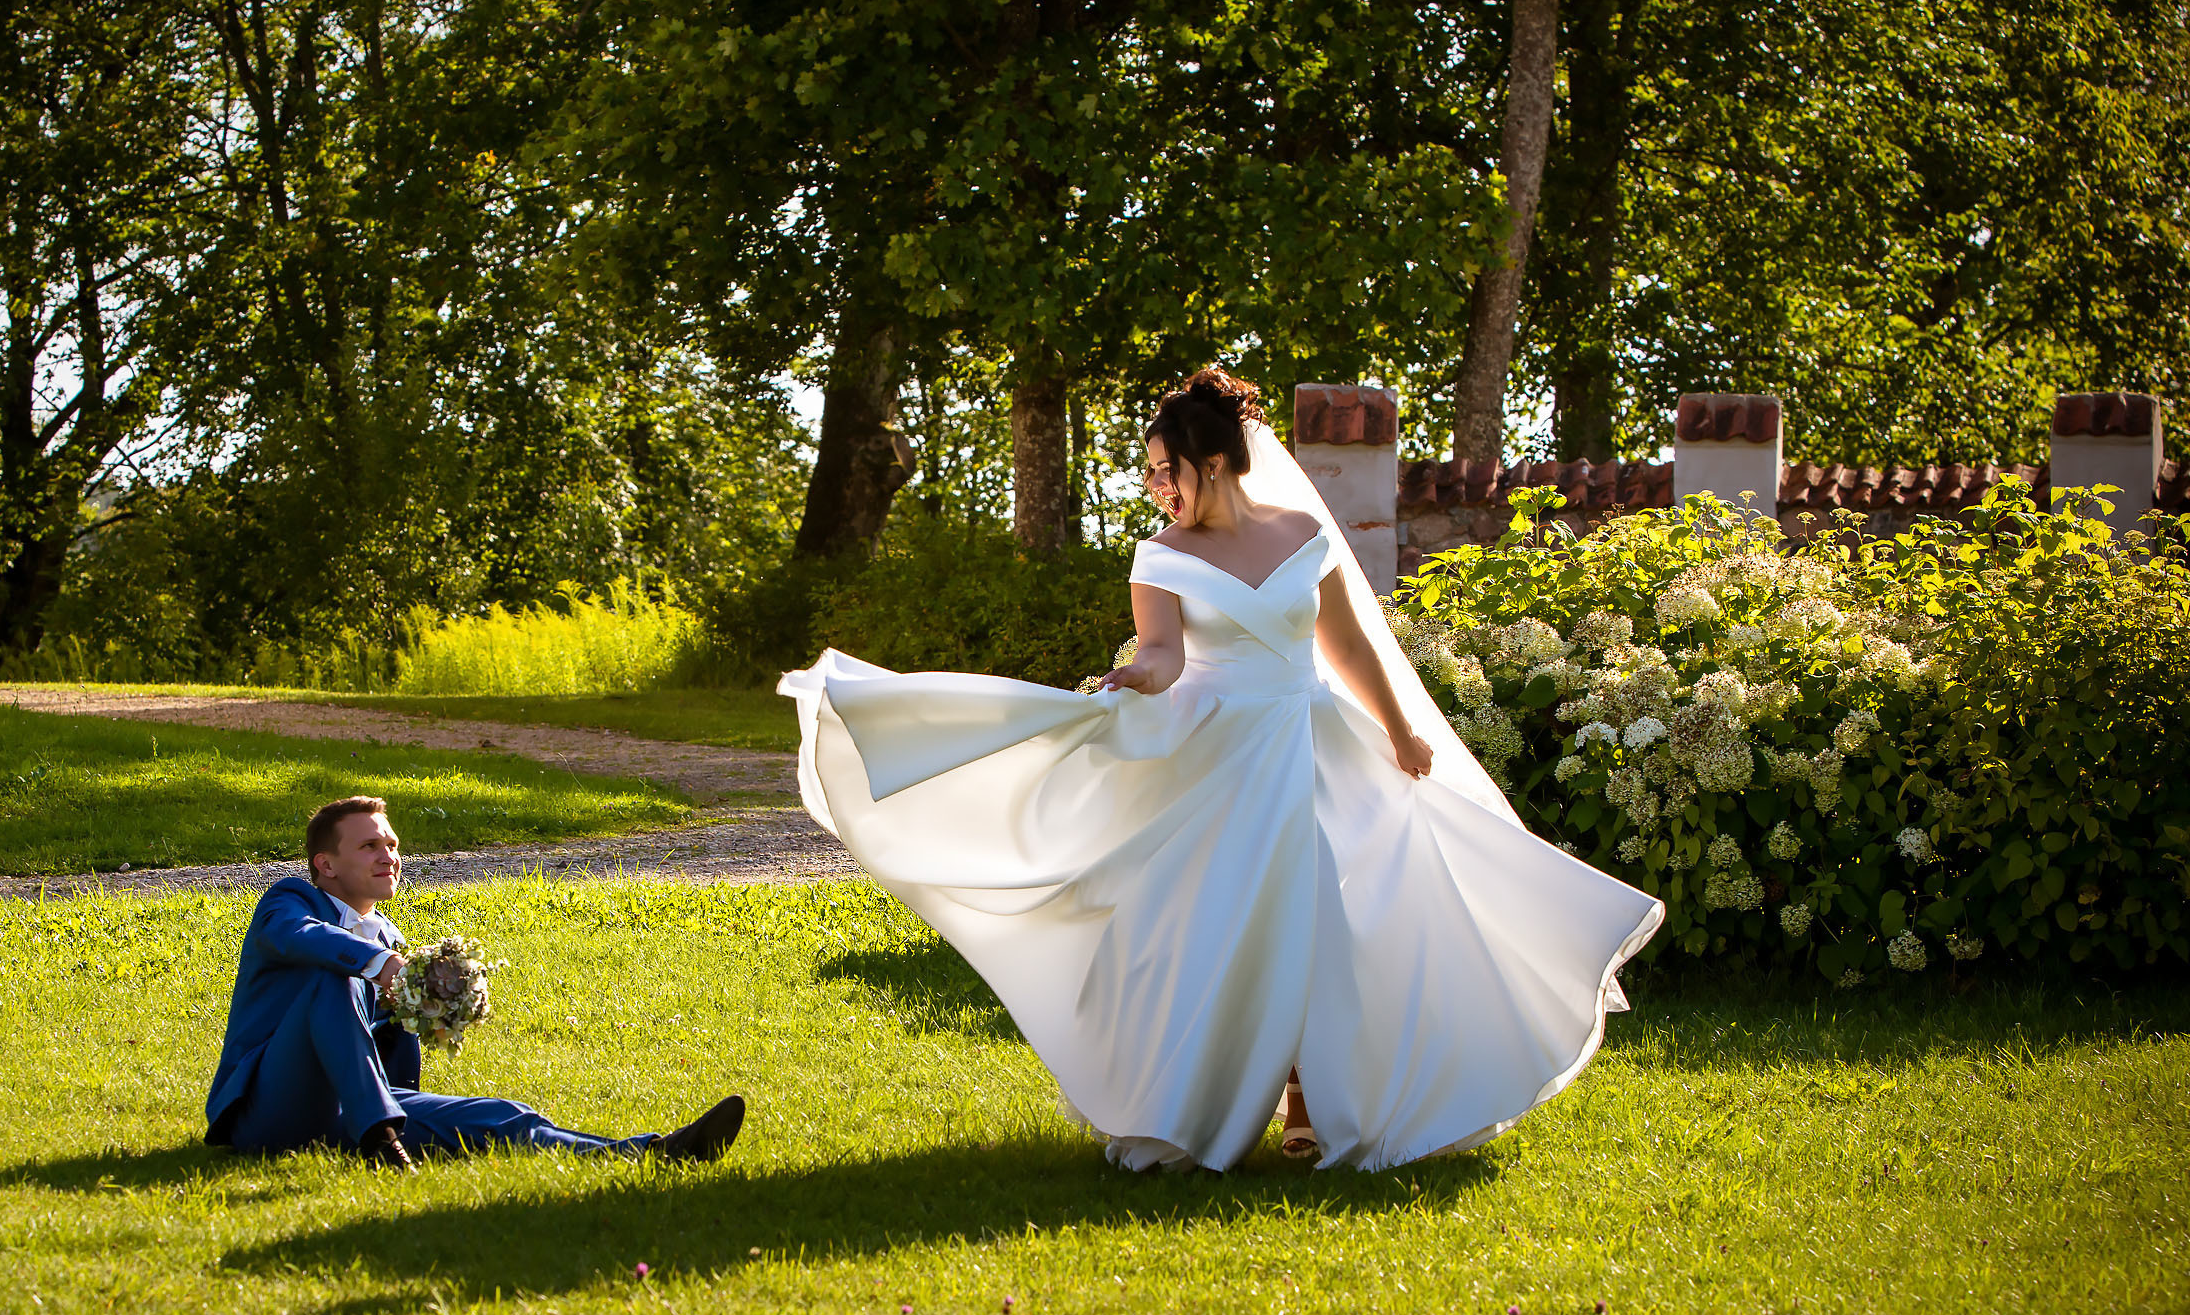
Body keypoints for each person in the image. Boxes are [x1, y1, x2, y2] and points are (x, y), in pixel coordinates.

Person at [779, 368, 1662, 1172]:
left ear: (1211, 460)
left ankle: (1312, 1100)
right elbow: (1164, 654)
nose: (1157, 485)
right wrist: (1135, 675)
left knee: (1330, 911)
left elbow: (1346, 645)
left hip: (1314, 738)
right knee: (1229, 922)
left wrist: (1398, 728)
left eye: (1166, 468)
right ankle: (1207, 1095)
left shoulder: (1302, 533)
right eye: (1152, 471)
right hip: (1219, 751)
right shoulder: (1160, 555)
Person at [203, 795, 745, 1172]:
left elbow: (382, 1035)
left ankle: (650, 1152)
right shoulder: (292, 901)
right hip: (268, 1111)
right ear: (325, 863)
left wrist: (435, 1008)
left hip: (364, 1106)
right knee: (331, 984)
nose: (388, 856)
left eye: (391, 845)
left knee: (500, 1117)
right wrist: (379, 965)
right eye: (369, 846)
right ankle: (380, 1137)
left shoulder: (388, 936)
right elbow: (298, 936)